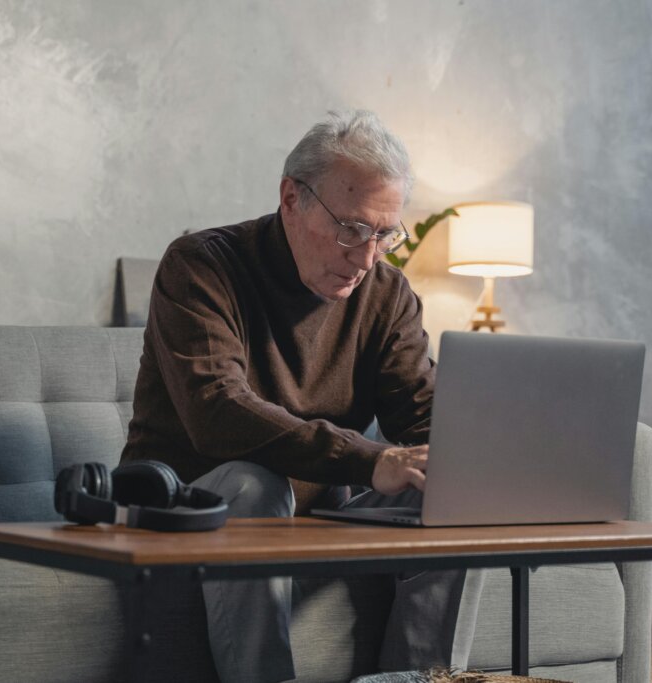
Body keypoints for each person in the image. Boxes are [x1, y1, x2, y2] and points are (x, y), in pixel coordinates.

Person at [120, 110, 483, 683]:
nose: (365, 257)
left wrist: (486, 456)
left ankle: (417, 681)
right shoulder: (200, 265)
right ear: (292, 198)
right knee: (253, 481)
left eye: (385, 234)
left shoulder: (386, 293)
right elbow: (217, 413)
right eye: (351, 229)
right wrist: (371, 459)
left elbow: (421, 414)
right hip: (182, 502)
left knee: (441, 493)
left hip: (318, 515)